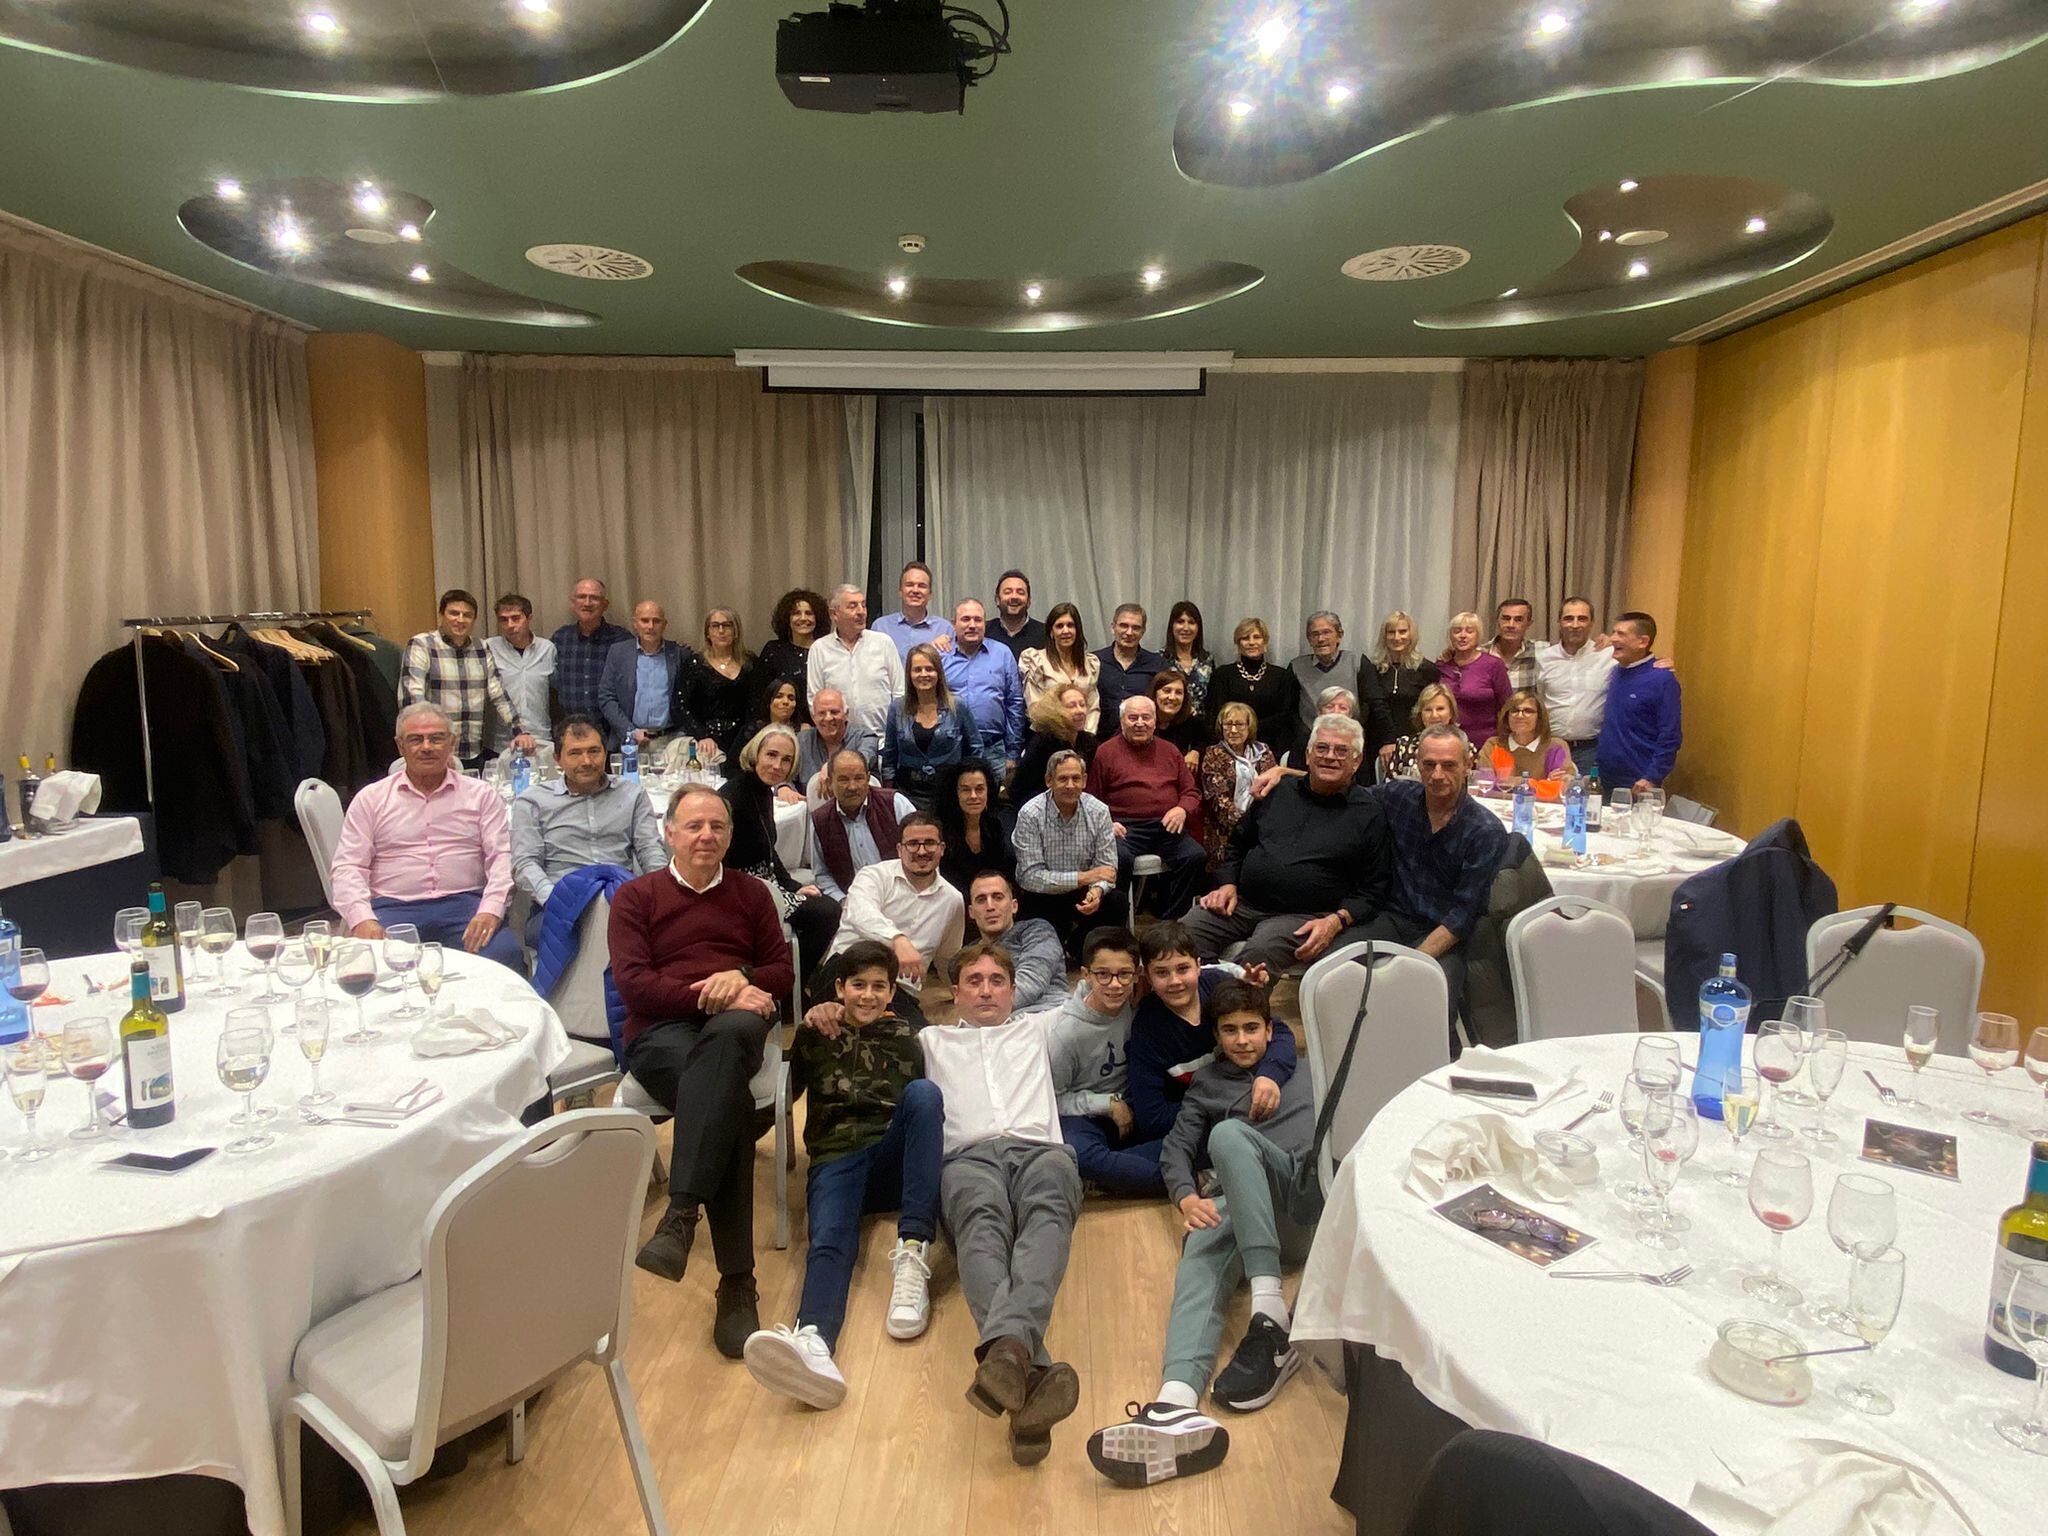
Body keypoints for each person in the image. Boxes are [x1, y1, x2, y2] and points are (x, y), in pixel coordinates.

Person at [1087, 979, 1316, 1485]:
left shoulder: (1303, 1065)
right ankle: (1175, 1404)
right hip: (1248, 1211)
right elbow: (1175, 1148)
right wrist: (1185, 1197)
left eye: (1252, 1029)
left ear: (1270, 1031)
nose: (1242, 1040)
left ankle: (1268, 1305)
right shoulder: (1208, 1084)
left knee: (1230, 1133)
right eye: (1230, 1031)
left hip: (1304, 1200)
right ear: (1217, 1036)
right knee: (1200, 1251)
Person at [612, 787, 793, 1359]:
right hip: (661, 1032)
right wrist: (711, 994)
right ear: (669, 832)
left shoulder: (752, 894)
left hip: (737, 1028)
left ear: (731, 836)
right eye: (694, 826)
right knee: (728, 1106)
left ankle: (681, 1214)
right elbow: (634, 986)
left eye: (717, 826)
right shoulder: (635, 897)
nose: (706, 836)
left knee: (729, 1043)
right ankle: (737, 1283)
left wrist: (743, 977)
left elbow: (782, 971)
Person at [741, 939, 940, 1409]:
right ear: (839, 988)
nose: (868, 995)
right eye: (858, 985)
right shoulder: (817, 1032)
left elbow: (926, 1118)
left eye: (878, 986)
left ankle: (913, 1248)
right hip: (835, 1159)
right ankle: (814, 1340)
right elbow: (783, 1097)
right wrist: (739, 1142)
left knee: (925, 1095)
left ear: (892, 992)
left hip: (891, 1161)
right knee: (829, 1240)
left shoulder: (907, 1037)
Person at [918, 943, 1084, 1467]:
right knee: (981, 1227)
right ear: (955, 992)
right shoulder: (930, 1040)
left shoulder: (1041, 1028)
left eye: (996, 981)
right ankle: (1026, 1371)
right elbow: (865, 1016)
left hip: (1041, 1152)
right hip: (967, 1158)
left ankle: (1009, 1357)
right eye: (974, 981)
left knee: (1047, 1220)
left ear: (1013, 990)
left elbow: (1110, 991)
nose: (986, 990)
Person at [1187, 714, 1392, 972]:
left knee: (1256, 958)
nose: (1330, 756)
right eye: (1322, 748)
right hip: (1242, 904)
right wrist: (1227, 883)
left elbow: (1375, 888)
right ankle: (1202, 995)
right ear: (1307, 755)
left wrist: (1336, 921)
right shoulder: (1277, 790)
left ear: (1357, 761)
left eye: (1342, 750)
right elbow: (1237, 844)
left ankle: (1228, 997)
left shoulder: (1369, 813)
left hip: (1304, 917)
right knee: (1181, 938)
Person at [331, 701, 526, 971]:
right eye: (416, 739)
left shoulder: (481, 795)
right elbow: (348, 866)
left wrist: (490, 910)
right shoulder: (371, 799)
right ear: (400, 746)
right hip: (392, 909)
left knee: (504, 956)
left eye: (436, 738)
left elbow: (502, 858)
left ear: (452, 743)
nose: (426, 747)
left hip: (465, 905)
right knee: (370, 968)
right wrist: (363, 919)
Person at [1360, 725, 1510, 1046]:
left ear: (1467, 765)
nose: (1437, 774)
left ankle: (1442, 1065)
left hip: (1446, 935)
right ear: (1418, 764)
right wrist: (1284, 773)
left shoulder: (1485, 831)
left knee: (1430, 998)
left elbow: (1462, 916)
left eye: (1448, 765)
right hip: (1393, 918)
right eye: (1429, 765)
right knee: (1333, 970)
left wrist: (1412, 962)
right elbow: (1343, 791)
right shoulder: (1398, 797)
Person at [1124, 923, 1293, 1147]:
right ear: (1147, 975)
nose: (1175, 981)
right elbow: (1152, 1118)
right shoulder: (1147, 1029)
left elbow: (1279, 1032)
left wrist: (1269, 1075)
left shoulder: (1218, 985)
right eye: (1162, 973)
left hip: (1247, 1098)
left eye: (1183, 969)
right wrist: (1223, 1106)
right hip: (1193, 1127)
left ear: (1198, 966)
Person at [510, 711, 666, 943]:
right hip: (557, 903)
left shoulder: (632, 794)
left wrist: (660, 894)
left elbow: (650, 850)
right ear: (557, 758)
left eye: (594, 751)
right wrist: (556, 900)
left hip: (620, 899)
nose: (586, 761)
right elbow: (525, 863)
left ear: (605, 753)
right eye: (575, 753)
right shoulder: (533, 801)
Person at [1043, 925, 1158, 1196]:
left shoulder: (1139, 1001)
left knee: (1189, 1130)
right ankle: (1186, 1178)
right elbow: (1053, 1099)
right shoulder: (1066, 1033)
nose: (1115, 985)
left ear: (1138, 975)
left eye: (1124, 974)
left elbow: (1197, 970)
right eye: (1103, 975)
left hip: (1138, 1104)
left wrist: (1239, 973)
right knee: (1077, 1153)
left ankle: (1111, 1176)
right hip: (1087, 1115)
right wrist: (1107, 1104)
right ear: (1086, 974)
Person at [723, 725, 840, 979]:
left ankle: (792, 979)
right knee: (826, 914)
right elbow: (722, 863)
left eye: (786, 760)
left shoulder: (763, 791)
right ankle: (788, 982)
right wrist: (776, 891)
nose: (777, 766)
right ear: (755, 754)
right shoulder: (733, 797)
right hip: (742, 893)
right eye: (771, 755)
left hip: (768, 885)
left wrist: (793, 886)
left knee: (824, 905)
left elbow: (768, 850)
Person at [1089, 695, 1207, 920]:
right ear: (1122, 721)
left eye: (1146, 717)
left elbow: (1191, 792)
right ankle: (1117, 923)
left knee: (1195, 856)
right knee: (1118, 859)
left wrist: (1181, 809)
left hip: (1166, 826)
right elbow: (1091, 799)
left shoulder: (1170, 751)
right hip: (1125, 828)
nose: (1140, 723)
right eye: (1133, 718)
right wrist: (1107, 823)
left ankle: (1172, 922)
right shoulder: (1105, 752)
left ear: (1155, 721)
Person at [824, 812, 966, 992]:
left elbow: (948, 958)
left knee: (904, 1012)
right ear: (899, 849)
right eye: (913, 844)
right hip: (846, 973)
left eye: (930, 843)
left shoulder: (953, 899)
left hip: (900, 988)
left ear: (942, 848)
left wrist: (961, 992)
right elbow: (861, 915)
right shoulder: (873, 876)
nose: (922, 851)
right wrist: (897, 940)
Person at [399, 589, 534, 769]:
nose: (460, 620)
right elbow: (413, 699)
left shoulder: (481, 647)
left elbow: (498, 694)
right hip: (436, 751)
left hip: (473, 750)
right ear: (441, 615)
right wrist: (430, 743)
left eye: (467, 615)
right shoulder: (422, 644)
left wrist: (519, 731)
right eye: (454, 613)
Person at [1013, 749, 1128, 952]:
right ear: (1049, 781)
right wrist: (1085, 877)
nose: (1070, 785)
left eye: (1076, 778)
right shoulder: (1030, 814)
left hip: (1083, 894)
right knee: (1043, 941)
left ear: (1084, 781)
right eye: (1063, 779)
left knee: (1116, 902)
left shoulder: (1099, 811)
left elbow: (1107, 869)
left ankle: (1078, 950)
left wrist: (1096, 891)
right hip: (1043, 895)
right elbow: (1030, 877)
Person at [882, 643, 985, 812]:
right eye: (917, 670)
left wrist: (968, 784)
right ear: (909, 674)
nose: (924, 674)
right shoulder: (897, 708)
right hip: (908, 794)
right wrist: (888, 794)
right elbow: (889, 755)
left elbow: (975, 749)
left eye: (929, 669)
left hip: (949, 793)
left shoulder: (957, 706)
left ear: (939, 673)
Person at [808, 748, 918, 902]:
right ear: (830, 782)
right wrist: (844, 902)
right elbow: (822, 875)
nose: (852, 787)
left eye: (859, 778)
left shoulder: (895, 803)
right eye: (843, 779)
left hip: (904, 895)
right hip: (853, 902)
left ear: (868, 779)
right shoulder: (820, 821)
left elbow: (920, 848)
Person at [807, 584, 905, 749]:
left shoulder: (883, 643)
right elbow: (814, 700)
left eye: (863, 605)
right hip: (839, 745)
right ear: (834, 613)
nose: (861, 611)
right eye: (852, 606)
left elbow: (900, 693)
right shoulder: (819, 649)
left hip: (883, 742)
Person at [597, 600, 697, 755]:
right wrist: (630, 731)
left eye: (656, 621)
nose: (650, 626)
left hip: (671, 741)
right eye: (645, 621)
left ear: (665, 625)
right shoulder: (618, 653)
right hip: (631, 741)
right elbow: (606, 697)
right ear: (635, 624)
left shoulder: (679, 654)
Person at [1597, 611, 1681, 794]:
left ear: (1642, 641)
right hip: (1605, 775)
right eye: (1613, 632)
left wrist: (1652, 777)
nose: (1613, 639)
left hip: (1638, 780)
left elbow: (1670, 735)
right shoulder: (1616, 672)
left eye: (1621, 634)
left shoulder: (1662, 679)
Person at [940, 599, 1025, 778]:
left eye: (978, 620)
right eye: (965, 619)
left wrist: (1012, 753)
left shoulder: (1002, 653)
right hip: (951, 750)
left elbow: (1015, 704)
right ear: (953, 624)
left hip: (993, 750)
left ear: (985, 624)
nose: (972, 625)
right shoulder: (941, 656)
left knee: (995, 796)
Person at [1535, 596, 1615, 779]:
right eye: (1569, 618)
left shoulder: (1608, 655)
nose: (1575, 625)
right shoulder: (1544, 657)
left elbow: (1638, 662)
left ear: (1592, 623)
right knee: (1549, 794)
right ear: (1559, 622)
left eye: (1582, 618)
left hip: (1591, 749)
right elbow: (1541, 697)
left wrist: (1662, 664)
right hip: (1552, 746)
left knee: (1587, 795)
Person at [963, 869, 1065, 1013]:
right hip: (996, 1021)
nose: (990, 906)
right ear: (971, 912)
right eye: (981, 900)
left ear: (1014, 906)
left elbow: (1031, 984)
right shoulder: (965, 956)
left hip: (1048, 1013)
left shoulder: (1038, 930)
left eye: (998, 897)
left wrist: (986, 1008)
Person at [1205, 617, 1302, 765]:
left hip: (1271, 749)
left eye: (1257, 637)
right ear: (1238, 643)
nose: (1251, 642)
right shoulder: (1222, 675)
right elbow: (1216, 715)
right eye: (1245, 638)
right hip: (1229, 750)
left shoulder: (1282, 676)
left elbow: (1286, 717)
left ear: (1265, 642)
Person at [1199, 702, 1278, 864]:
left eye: (1240, 724)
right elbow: (1217, 799)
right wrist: (1245, 825)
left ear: (1250, 726)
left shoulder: (1263, 752)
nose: (1233, 730)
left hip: (1262, 825)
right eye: (1228, 724)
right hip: (1226, 831)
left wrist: (1263, 824)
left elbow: (1274, 789)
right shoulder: (1213, 754)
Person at [677, 607, 757, 764]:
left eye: (727, 625)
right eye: (715, 626)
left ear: (735, 631)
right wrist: (702, 736)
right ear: (707, 633)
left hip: (744, 740)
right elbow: (682, 706)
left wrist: (749, 735)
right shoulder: (695, 664)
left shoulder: (750, 663)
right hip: (707, 743)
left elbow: (756, 703)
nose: (721, 631)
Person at [549, 576, 633, 719]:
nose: (587, 603)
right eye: (581, 597)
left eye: (594, 598)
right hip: (571, 726)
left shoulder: (622, 640)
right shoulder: (560, 638)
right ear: (572, 603)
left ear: (605, 605)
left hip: (611, 727)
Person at [1359, 609, 1437, 760]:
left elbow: (1428, 709)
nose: (1397, 637)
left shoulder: (1427, 669)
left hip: (1414, 741)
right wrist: (1389, 740)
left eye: (1402, 632)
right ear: (1384, 636)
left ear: (1411, 634)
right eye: (1391, 632)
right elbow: (1375, 706)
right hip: (1377, 742)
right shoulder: (1371, 667)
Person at [486, 592, 556, 755]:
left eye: (516, 618)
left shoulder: (547, 649)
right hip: (501, 743)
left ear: (529, 618)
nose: (510, 625)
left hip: (541, 738)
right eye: (504, 620)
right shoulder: (489, 648)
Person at [1014, 682, 1097, 815]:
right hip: (1039, 810)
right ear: (1055, 711)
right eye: (1072, 706)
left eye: (1082, 705)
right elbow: (1021, 788)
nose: (1080, 710)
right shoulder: (1043, 741)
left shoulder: (1089, 742)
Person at [1018, 602, 1101, 732]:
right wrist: (1064, 735)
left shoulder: (1090, 664)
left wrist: (1085, 736)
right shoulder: (1035, 660)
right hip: (1048, 735)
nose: (1065, 631)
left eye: (1070, 625)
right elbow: (1035, 708)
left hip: (1084, 737)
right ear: (1051, 631)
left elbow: (1093, 707)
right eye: (1059, 626)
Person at [937, 761, 1015, 895]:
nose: (973, 796)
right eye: (966, 790)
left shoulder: (994, 826)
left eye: (979, 789)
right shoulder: (940, 830)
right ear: (955, 793)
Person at [1438, 611, 1511, 749]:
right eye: (1457, 631)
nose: (1463, 635)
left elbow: (1507, 705)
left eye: (1469, 631)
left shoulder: (1493, 664)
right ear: (1450, 636)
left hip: (1486, 741)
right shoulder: (1442, 665)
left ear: (1478, 636)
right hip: (1449, 741)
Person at [1479, 689, 1575, 791]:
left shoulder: (1556, 747)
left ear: (1540, 717)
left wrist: (1511, 782)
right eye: (1515, 711)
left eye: (1528, 711)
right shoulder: (1493, 745)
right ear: (1507, 716)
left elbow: (1561, 787)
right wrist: (1541, 783)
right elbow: (1485, 785)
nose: (1520, 716)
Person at [758, 587, 828, 727]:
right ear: (787, 619)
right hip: (780, 728)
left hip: (822, 726)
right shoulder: (774, 651)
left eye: (809, 613)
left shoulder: (827, 651)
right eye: (796, 613)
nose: (803, 618)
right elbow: (759, 697)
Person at [1289, 611, 1361, 741]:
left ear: (1339, 635)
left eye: (1326, 632)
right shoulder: (1296, 667)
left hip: (1350, 739)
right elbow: (1290, 711)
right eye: (1315, 634)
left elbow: (1371, 705)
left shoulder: (1356, 662)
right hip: (1309, 739)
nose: (1321, 639)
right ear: (1309, 639)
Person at [1382, 683, 1476, 780]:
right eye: (1428, 710)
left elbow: (1472, 783)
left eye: (1440, 709)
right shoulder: (1403, 745)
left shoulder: (1465, 747)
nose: (1434, 715)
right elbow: (1390, 785)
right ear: (1420, 714)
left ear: (1451, 712)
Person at [796, 688, 873, 798]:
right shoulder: (801, 741)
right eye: (822, 713)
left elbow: (863, 760)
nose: (828, 718)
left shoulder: (865, 737)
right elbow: (786, 775)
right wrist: (783, 787)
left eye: (834, 712)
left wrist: (831, 766)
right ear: (813, 717)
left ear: (846, 714)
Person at [1094, 603, 1164, 723]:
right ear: (1113, 627)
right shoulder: (1094, 661)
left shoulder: (1157, 664)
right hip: (1101, 733)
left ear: (1143, 631)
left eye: (1136, 628)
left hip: (1142, 731)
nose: (1129, 632)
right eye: (1124, 626)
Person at [873, 560, 953, 659]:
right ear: (900, 591)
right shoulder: (881, 627)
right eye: (909, 585)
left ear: (930, 594)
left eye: (922, 586)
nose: (915, 590)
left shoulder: (944, 629)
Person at [1148, 669, 1213, 772]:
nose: (1172, 697)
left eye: (1178, 692)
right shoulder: (1142, 722)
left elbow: (1210, 739)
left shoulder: (1191, 722)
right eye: (1167, 691)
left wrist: (1196, 752)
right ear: (1155, 694)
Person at [1163, 600, 1214, 717]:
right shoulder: (1160, 659)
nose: (1186, 628)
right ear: (1172, 626)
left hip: (1200, 725)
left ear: (1198, 628)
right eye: (1180, 622)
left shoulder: (1207, 660)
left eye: (1191, 622)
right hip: (1169, 723)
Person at [1487, 596, 1540, 694]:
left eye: (1518, 620)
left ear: (1529, 624)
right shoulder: (1480, 653)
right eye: (1506, 618)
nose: (1511, 625)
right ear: (1497, 621)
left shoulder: (1541, 651)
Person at [993, 569, 1049, 657]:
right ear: (997, 600)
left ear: (1029, 601)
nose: (1014, 597)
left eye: (1020, 593)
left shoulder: (1046, 634)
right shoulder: (984, 634)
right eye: (1008, 592)